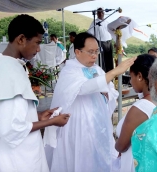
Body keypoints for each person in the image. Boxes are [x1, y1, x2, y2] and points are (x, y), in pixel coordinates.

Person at [44, 32, 136, 172]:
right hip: (78, 125)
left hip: (98, 123)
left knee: (98, 158)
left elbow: (110, 90)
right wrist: (114, 72)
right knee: (80, 159)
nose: (94, 55)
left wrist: (107, 93)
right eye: (90, 52)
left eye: (97, 51)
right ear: (77, 52)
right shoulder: (69, 71)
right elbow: (83, 88)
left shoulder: (96, 69)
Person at [0, 14, 70, 172]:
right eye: (37, 42)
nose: (39, 49)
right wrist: (51, 122)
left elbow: (7, 112)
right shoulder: (9, 72)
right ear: (21, 39)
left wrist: (37, 115)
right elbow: (11, 130)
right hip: (17, 160)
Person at [115, 54, 156, 172]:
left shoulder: (141, 108)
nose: (130, 81)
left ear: (139, 76)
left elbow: (122, 146)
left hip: (136, 164)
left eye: (130, 76)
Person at [88, 7, 114, 72]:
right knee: (103, 61)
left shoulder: (107, 22)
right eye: (99, 12)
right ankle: (104, 73)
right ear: (97, 14)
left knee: (109, 60)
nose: (101, 14)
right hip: (100, 43)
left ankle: (110, 73)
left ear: (104, 13)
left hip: (109, 42)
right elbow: (90, 33)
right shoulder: (95, 22)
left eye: (102, 12)